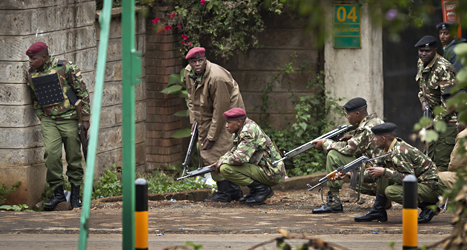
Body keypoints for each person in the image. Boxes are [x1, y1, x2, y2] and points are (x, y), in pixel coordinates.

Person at [25, 42, 90, 209]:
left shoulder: (65, 67)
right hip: (49, 121)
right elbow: (35, 98)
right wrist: (42, 116)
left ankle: (75, 196)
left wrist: (85, 119)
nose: (30, 61)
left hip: (69, 118)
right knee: (52, 156)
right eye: (29, 59)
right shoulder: (31, 74)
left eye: (33, 58)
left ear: (45, 57)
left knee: (74, 157)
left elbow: (82, 92)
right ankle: (58, 195)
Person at [351, 123, 447, 223]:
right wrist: (351, 175)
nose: (373, 140)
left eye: (375, 137)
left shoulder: (400, 152)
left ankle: (428, 207)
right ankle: (378, 210)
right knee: (383, 174)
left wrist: (384, 171)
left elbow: (409, 178)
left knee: (391, 190)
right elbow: (373, 175)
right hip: (421, 185)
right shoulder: (386, 150)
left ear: (383, 139)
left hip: (431, 188)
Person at [185, 47, 245, 202]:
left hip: (228, 113)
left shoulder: (217, 78)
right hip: (206, 111)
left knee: (219, 148)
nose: (197, 64)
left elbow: (221, 110)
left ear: (205, 60)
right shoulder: (189, 72)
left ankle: (224, 192)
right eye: (193, 61)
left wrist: (211, 136)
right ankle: (233, 191)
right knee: (209, 150)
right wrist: (194, 122)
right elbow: (191, 99)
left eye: (200, 60)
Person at [310, 97, 384, 214]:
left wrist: (325, 143)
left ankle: (334, 202)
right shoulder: (376, 122)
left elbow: (348, 149)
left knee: (333, 154)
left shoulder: (365, 129)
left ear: (357, 113)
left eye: (348, 114)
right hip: (382, 171)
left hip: (374, 176)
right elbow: (365, 144)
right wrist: (352, 138)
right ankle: (383, 200)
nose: (347, 117)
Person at [209, 108, 286, 205]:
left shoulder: (247, 132)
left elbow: (239, 158)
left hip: (271, 172)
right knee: (223, 162)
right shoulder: (245, 127)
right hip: (265, 168)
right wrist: (220, 160)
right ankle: (255, 191)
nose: (226, 126)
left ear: (238, 122)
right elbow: (235, 150)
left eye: (229, 123)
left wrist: (222, 162)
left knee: (225, 168)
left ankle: (262, 190)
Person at [415, 35, 457, 172]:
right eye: (421, 51)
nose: (423, 54)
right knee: (430, 160)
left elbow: (451, 104)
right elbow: (422, 89)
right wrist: (423, 102)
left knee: (444, 163)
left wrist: (433, 123)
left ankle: (447, 192)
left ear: (435, 50)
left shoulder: (444, 68)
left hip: (449, 121)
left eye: (427, 51)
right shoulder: (421, 63)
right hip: (432, 117)